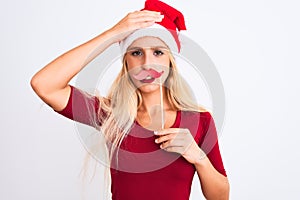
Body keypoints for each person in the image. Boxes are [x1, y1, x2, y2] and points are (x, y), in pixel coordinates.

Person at [30, 0, 230, 199]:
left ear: (170, 59)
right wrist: (112, 34)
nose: (147, 64)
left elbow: (221, 197)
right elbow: (45, 85)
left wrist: (199, 157)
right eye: (136, 53)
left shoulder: (200, 121)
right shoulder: (110, 115)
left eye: (158, 52)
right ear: (126, 61)